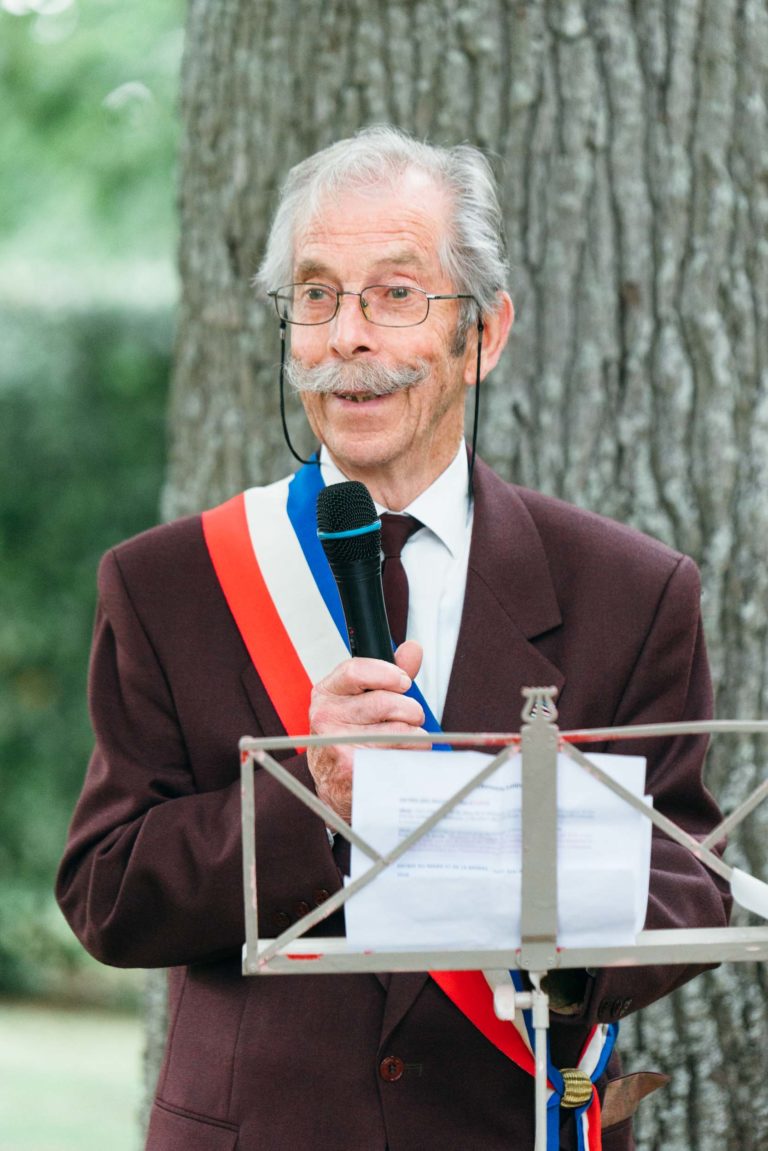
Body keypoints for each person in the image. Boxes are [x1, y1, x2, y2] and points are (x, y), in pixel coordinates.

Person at [56, 127, 730, 1151]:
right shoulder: (167, 584)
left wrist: (556, 951)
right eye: (317, 295)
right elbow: (108, 890)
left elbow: (687, 880)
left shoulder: (632, 591)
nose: (347, 338)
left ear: (485, 334)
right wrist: (310, 802)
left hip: (506, 1122)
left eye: (396, 293)